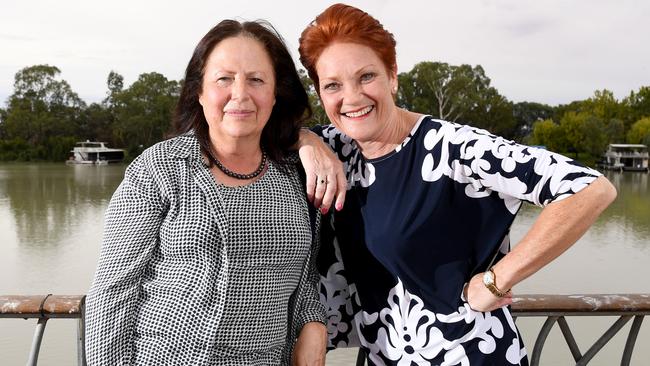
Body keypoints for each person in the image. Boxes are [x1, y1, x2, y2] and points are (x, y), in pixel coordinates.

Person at [296, 4, 617, 365]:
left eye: (366, 76)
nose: (352, 97)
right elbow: (253, 130)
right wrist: (307, 141)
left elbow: (589, 188)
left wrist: (497, 279)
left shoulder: (452, 149)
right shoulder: (337, 148)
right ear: (320, 94)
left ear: (393, 76)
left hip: (470, 356)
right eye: (333, 85)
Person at [85, 19, 327, 365]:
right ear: (199, 92)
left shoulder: (297, 176)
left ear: (275, 94)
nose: (240, 94)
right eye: (223, 79)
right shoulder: (160, 169)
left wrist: (313, 323)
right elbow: (112, 292)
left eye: (256, 80)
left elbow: (303, 282)